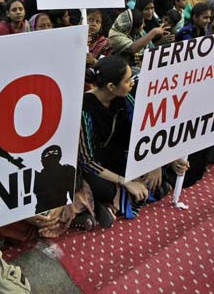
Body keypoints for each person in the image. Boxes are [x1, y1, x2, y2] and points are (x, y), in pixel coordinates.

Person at [79, 56, 185, 227]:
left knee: (158, 170)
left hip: (119, 155)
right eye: (128, 80)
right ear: (111, 87)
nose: (132, 83)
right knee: (99, 185)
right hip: (97, 166)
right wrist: (125, 181)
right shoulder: (84, 109)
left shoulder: (124, 97)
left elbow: (143, 128)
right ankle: (108, 201)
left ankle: (115, 202)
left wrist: (159, 160)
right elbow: (87, 161)